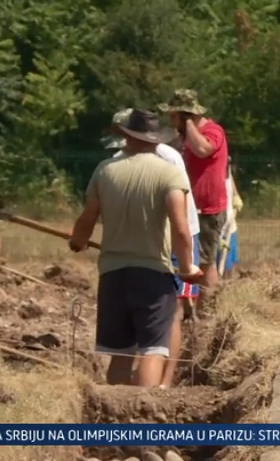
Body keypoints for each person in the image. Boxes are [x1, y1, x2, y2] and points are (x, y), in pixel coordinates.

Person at [70, 109, 203, 388]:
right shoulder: (169, 173)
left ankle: (116, 418)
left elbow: (87, 218)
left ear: (127, 137)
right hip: (153, 274)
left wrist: (77, 241)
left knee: (120, 355)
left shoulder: (105, 171)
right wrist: (187, 267)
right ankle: (142, 420)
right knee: (153, 352)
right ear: (156, 139)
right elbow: (181, 229)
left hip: (113, 274)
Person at [158, 89, 229, 312]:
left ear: (186, 115)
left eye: (174, 116)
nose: (171, 121)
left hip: (207, 211)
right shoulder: (182, 137)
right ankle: (187, 310)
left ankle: (207, 314)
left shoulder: (212, 132)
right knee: (184, 260)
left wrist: (188, 125)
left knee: (205, 264)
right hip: (187, 209)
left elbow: (202, 150)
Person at [218, 160, 243, 277]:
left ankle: (228, 288)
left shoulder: (225, 164)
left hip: (230, 224)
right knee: (216, 267)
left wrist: (236, 195)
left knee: (231, 264)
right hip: (216, 227)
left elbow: (230, 178)